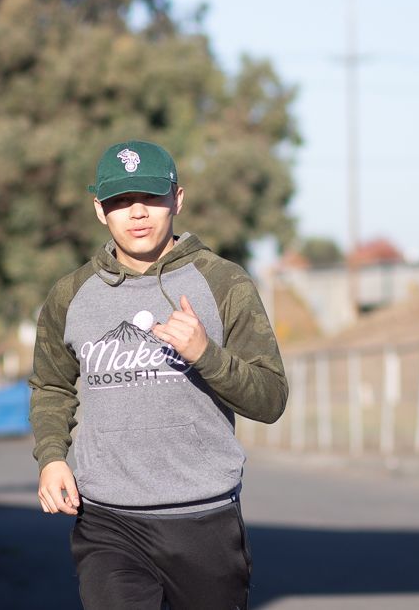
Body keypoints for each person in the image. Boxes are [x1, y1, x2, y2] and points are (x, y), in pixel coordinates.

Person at [29, 140, 289, 610]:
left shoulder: (224, 283)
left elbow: (270, 398)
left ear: (177, 199)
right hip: (108, 521)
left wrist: (206, 354)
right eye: (120, 202)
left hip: (204, 519)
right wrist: (51, 456)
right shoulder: (71, 295)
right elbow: (50, 384)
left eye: (150, 197)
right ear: (99, 210)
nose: (137, 213)